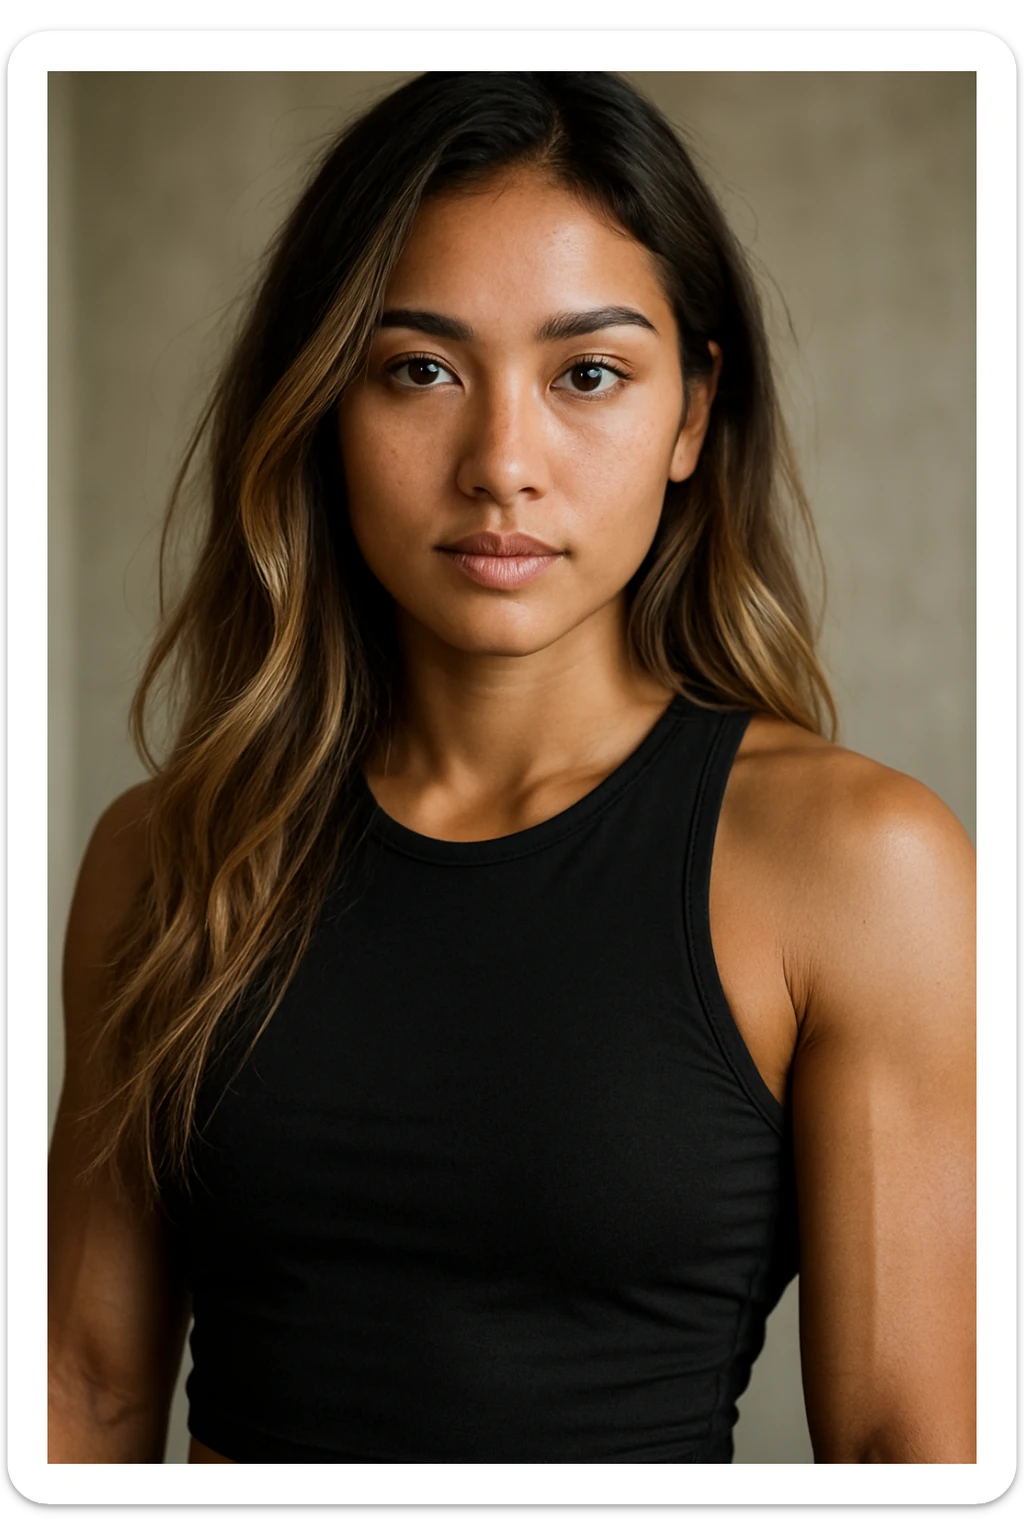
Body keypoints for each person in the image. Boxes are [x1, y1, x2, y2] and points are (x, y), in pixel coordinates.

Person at [47, 71, 976, 1466]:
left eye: (588, 374)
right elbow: (86, 1395)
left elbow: (907, 1456)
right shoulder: (166, 856)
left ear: (690, 417)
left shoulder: (859, 867)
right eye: (418, 369)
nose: (501, 464)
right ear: (322, 402)